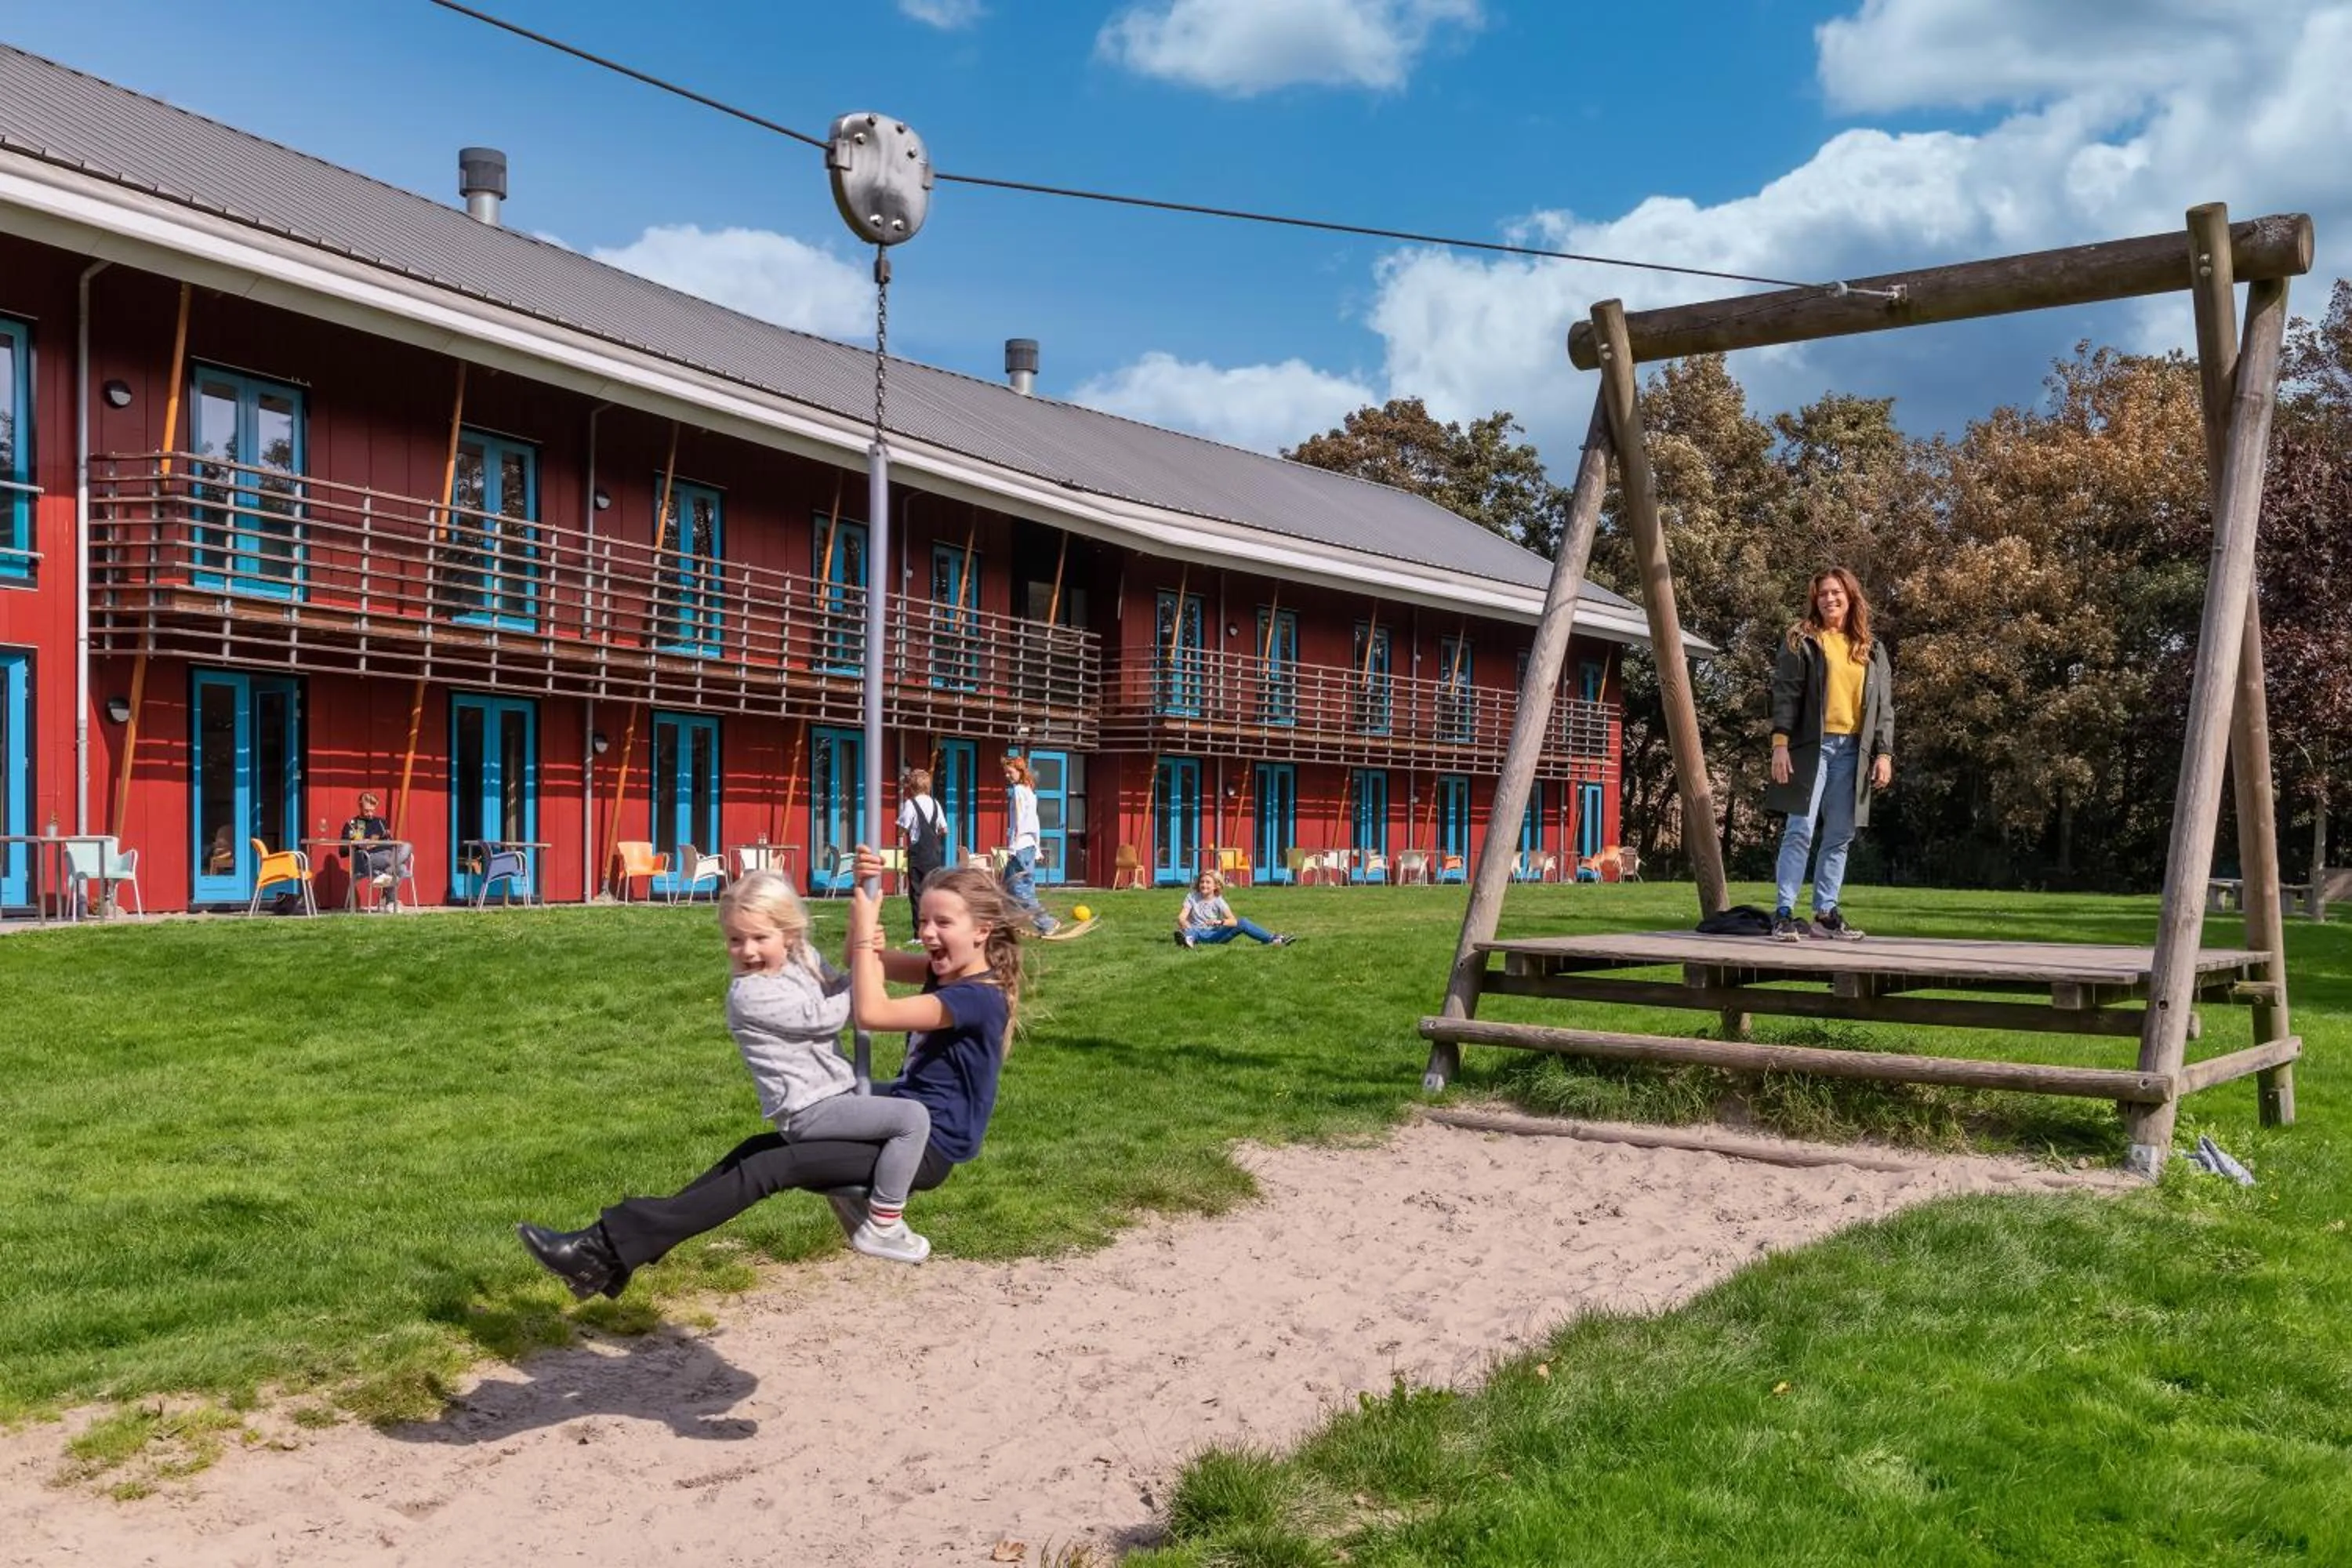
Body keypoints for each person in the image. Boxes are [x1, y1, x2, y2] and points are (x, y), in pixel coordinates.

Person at [515, 848, 1022, 1301]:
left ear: (982, 930)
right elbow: (861, 962)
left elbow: (872, 1012)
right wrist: (864, 898)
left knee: (770, 1169)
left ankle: (602, 1248)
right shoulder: (944, 972)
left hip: (923, 1149)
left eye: (943, 924)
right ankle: (612, 1255)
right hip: (907, 1124)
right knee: (755, 1152)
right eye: (925, 920)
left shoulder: (977, 998)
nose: (927, 933)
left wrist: (868, 937)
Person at [713, 869, 933, 1261]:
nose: (747, 951)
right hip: (808, 1110)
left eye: (760, 938)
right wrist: (868, 961)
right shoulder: (749, 993)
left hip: (835, 1091)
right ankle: (884, 1221)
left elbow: (839, 985)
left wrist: (869, 957)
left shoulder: (803, 958)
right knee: (911, 1119)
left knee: (907, 1099)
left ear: (790, 934)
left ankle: (855, 1213)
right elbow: (828, 1015)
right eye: (735, 940)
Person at [1765, 567, 1894, 942]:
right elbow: (1785, 694)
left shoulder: (1872, 649)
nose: (1829, 599)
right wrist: (1780, 744)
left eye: (1836, 592)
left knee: (1840, 834)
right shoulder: (1802, 641)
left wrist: (1883, 754)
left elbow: (1883, 707)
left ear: (1850, 597)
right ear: (1815, 600)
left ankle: (1825, 914)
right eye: (1822, 594)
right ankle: (1784, 913)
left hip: (1854, 751)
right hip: (1810, 749)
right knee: (1800, 829)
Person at [999, 753, 1059, 937]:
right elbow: (1035, 822)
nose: (1007, 776)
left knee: (1019, 888)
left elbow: (1019, 822)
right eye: (1005, 773)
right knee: (1009, 885)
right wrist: (1038, 847)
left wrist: (1012, 847)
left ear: (1020, 771)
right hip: (1028, 846)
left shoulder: (1018, 791)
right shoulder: (1030, 791)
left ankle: (1046, 923)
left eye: (1010, 772)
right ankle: (1006, 923)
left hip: (1021, 847)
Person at [1174, 869, 1294, 949]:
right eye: (1202, 882)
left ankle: (1272, 939)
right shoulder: (1192, 896)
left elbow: (1233, 921)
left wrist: (1220, 922)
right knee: (1192, 931)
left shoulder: (1219, 901)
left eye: (1208, 882)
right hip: (1196, 931)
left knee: (1242, 922)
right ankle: (1188, 940)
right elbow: (1182, 916)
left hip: (1214, 934)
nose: (1204, 885)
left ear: (1216, 886)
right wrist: (1185, 923)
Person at [896, 766, 949, 938]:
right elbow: (944, 829)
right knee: (933, 891)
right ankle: (938, 928)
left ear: (911, 786)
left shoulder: (910, 804)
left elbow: (902, 829)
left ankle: (919, 934)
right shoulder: (935, 803)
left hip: (918, 854)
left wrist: (902, 831)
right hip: (934, 854)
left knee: (917, 893)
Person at [339, 791, 401, 911]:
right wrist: (360, 844)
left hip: (385, 856)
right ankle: (391, 902)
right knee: (399, 867)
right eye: (367, 810)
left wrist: (382, 840)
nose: (370, 814)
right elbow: (343, 851)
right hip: (365, 860)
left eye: (373, 810)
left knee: (407, 848)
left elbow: (390, 843)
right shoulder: (353, 825)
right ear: (360, 806)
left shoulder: (380, 822)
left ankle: (389, 896)